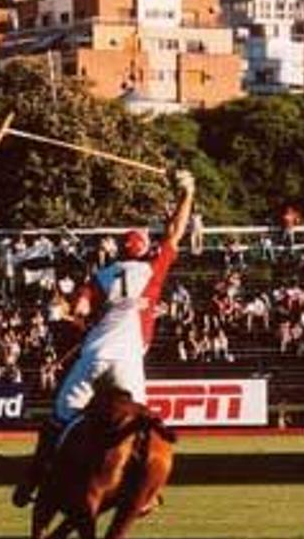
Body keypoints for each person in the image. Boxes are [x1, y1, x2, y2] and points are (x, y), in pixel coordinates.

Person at [10, 168, 196, 508]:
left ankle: (33, 478)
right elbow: (176, 230)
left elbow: (78, 311)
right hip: (128, 361)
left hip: (94, 356)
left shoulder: (100, 276)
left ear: (121, 251)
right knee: (142, 424)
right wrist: (187, 192)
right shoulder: (153, 268)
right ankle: (146, 493)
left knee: (59, 419)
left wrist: (76, 316)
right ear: (143, 250)